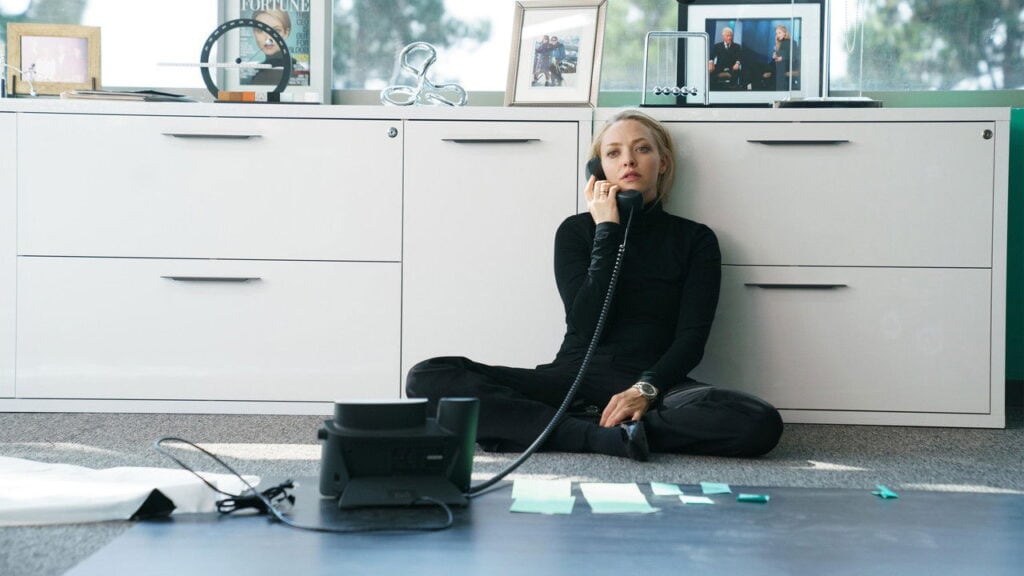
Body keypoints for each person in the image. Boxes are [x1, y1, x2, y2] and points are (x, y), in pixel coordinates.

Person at [406, 110, 783, 461]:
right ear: (598, 169)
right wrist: (606, 229)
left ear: (663, 162)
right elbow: (586, 321)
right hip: (569, 378)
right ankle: (604, 437)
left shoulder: (695, 239)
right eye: (614, 152)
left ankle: (559, 430)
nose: (628, 161)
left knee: (757, 421)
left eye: (642, 149)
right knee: (428, 376)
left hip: (651, 385)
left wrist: (645, 389)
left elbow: (691, 340)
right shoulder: (577, 231)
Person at [248, 9, 298, 86]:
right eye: (260, 30)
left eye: (276, 31)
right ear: (254, 32)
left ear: (286, 33)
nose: (268, 38)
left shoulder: (266, 76)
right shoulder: (261, 70)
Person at [772, 24, 800, 91]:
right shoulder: (779, 43)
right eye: (776, 33)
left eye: (779, 33)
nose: (778, 35)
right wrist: (775, 56)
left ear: (785, 33)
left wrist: (782, 58)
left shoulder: (792, 43)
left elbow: (794, 57)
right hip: (778, 66)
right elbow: (776, 57)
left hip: (788, 65)